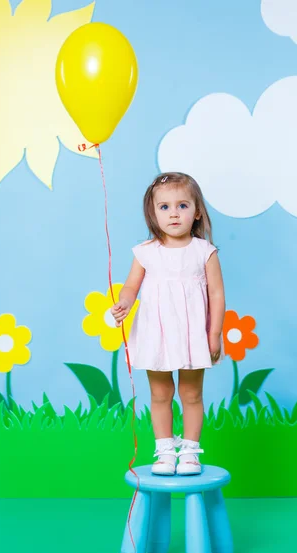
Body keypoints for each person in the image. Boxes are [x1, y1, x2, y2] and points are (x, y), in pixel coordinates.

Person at [111, 172, 225, 476]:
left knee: (191, 394)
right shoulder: (146, 252)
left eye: (182, 205)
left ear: (197, 211)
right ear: (153, 213)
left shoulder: (204, 251)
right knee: (160, 394)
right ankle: (164, 452)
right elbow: (131, 287)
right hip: (156, 334)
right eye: (164, 207)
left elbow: (216, 294)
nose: (173, 213)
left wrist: (214, 334)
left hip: (192, 335)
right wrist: (124, 302)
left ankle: (190, 452)